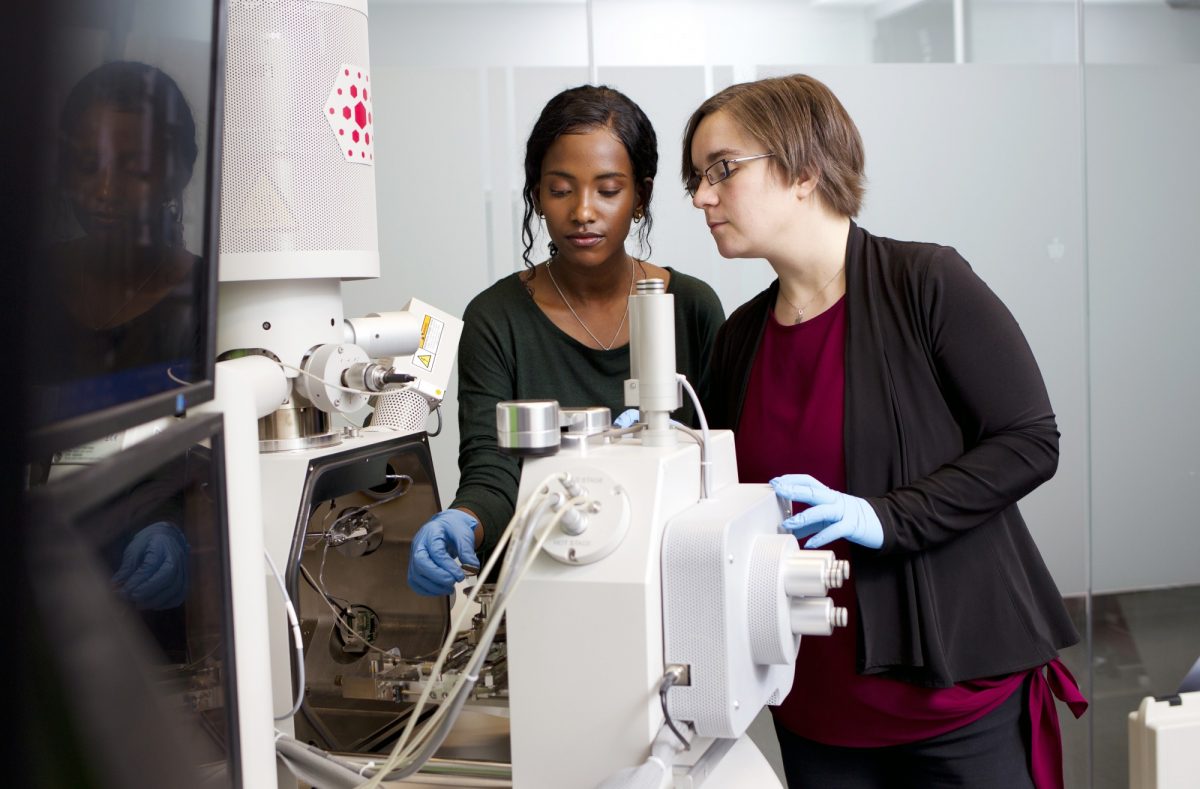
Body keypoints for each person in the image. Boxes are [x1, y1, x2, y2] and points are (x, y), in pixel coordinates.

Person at [682, 74, 1087, 789]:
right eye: (697, 177)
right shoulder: (741, 338)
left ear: (804, 169)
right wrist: (650, 447)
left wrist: (883, 515)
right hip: (815, 712)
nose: (702, 196)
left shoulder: (924, 281)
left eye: (722, 169)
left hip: (952, 702)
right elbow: (708, 485)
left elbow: (1029, 439)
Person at [407, 85, 725, 596]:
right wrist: (464, 520)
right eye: (560, 189)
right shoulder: (496, 318)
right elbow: (493, 472)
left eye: (608, 189)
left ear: (639, 196)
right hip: (544, 592)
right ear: (536, 195)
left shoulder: (689, 307)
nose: (582, 211)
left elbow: (719, 466)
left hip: (674, 587)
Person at [33, 60, 204, 424]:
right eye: (87, 164)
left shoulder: (206, 300)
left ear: (178, 176)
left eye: (135, 168)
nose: (105, 191)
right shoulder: (31, 279)